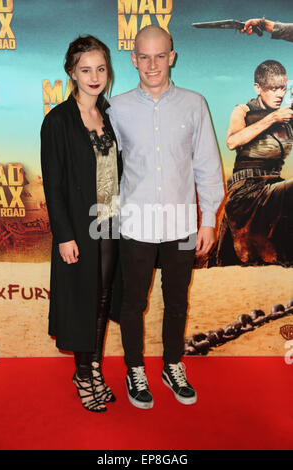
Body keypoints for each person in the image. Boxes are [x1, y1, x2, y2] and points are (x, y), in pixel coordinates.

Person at [107, 25, 224, 409]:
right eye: (144, 56)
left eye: (160, 56)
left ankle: (172, 365)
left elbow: (207, 165)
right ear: (133, 59)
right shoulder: (117, 108)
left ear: (172, 57)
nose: (152, 64)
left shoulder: (194, 103)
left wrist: (208, 219)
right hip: (135, 224)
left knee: (177, 300)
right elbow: (108, 170)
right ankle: (135, 368)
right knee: (132, 303)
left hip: (183, 225)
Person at [41, 35, 121, 412]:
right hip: (79, 228)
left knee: (102, 300)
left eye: (100, 68)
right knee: (82, 301)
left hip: (110, 223)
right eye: (85, 69)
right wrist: (64, 236)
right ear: (71, 72)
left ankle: (92, 367)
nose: (94, 76)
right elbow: (53, 185)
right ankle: (84, 374)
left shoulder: (109, 114)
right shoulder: (57, 121)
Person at [213, 60, 293, 266]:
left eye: (283, 88)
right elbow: (232, 141)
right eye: (273, 88)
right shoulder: (244, 110)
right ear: (258, 87)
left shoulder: (287, 118)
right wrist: (272, 118)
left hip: (274, 186)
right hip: (246, 191)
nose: (280, 94)